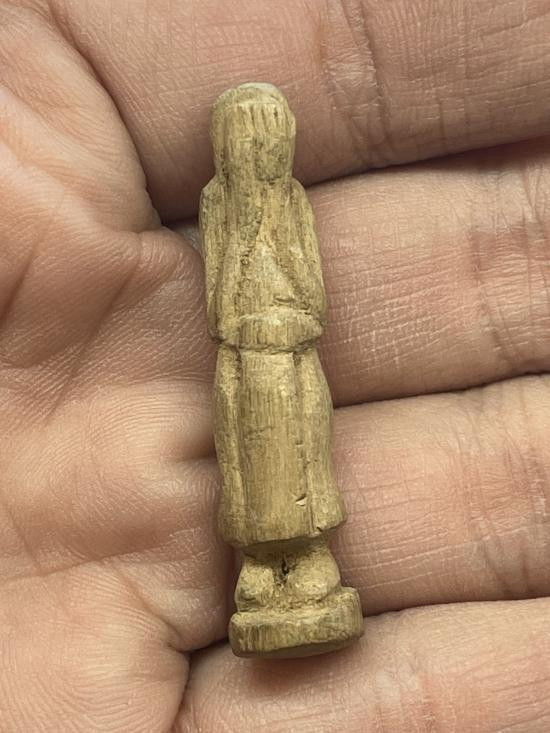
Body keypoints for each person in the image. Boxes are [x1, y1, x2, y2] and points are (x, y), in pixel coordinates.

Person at [1, 1, 549, 731]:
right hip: (242, 361)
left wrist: (284, 323)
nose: (256, 151)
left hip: (289, 357)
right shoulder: (218, 202)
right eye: (245, 139)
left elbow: (310, 290)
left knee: (301, 461)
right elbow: (218, 292)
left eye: (265, 138)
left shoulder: (289, 200)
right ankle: (263, 575)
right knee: (251, 470)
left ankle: (311, 566)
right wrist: (244, 328)